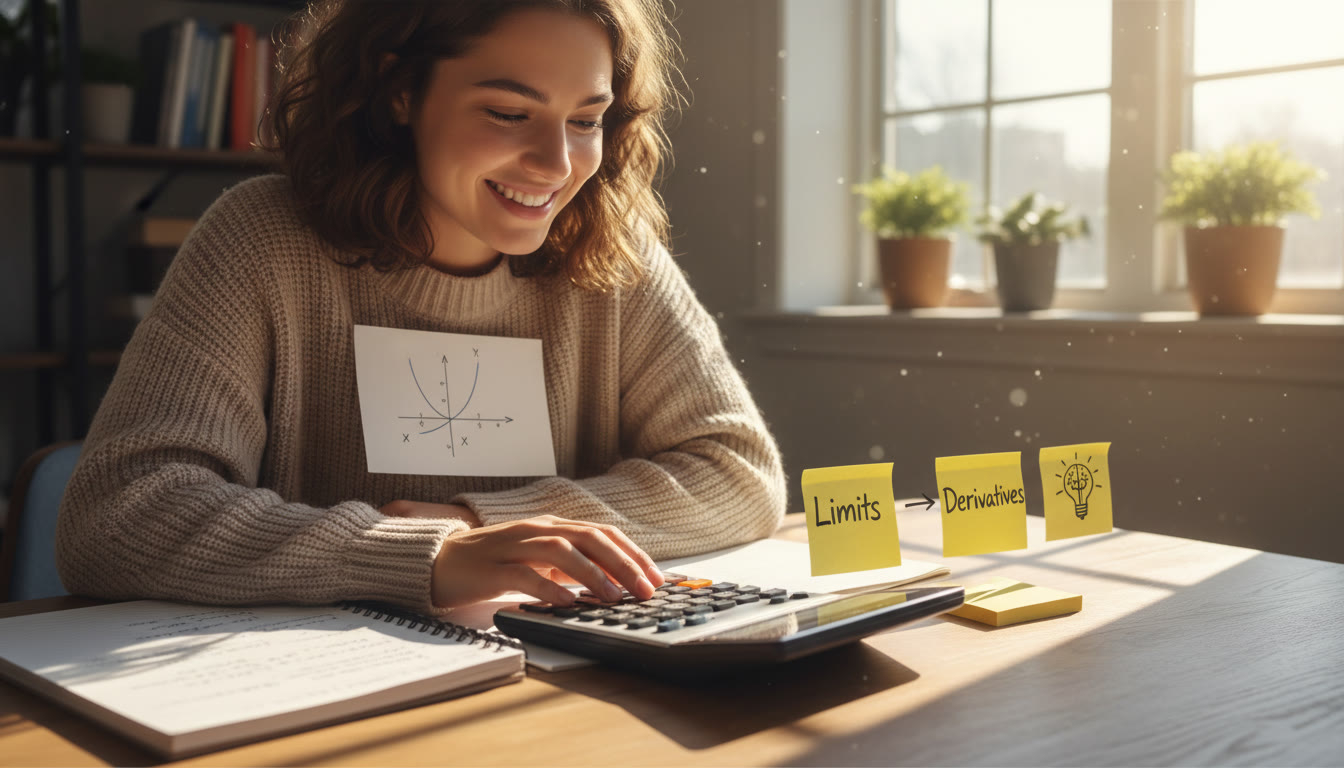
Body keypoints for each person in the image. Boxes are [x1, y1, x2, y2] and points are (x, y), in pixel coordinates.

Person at [55, 0, 786, 616]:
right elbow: (117, 516)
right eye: (508, 112)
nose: (557, 166)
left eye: (586, 121)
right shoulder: (260, 241)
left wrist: (481, 523)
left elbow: (739, 472)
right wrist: (422, 557)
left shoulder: (610, 253)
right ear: (399, 89)